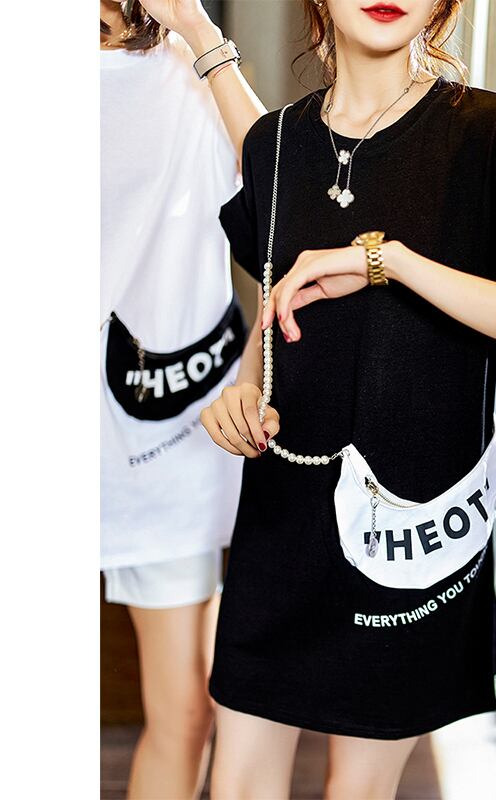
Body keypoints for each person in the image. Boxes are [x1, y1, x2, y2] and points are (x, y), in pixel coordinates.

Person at [200, 0, 496, 797]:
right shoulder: (275, 143)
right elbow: (279, 312)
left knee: (358, 790)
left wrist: (390, 262)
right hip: (282, 521)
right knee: (240, 783)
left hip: (411, 536)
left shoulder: (481, 130)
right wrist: (239, 395)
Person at [99, 1, 265, 797]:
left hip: (174, 440)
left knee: (190, 711)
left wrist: (199, 33)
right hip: (127, 436)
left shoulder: (181, 68)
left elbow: (283, 186)